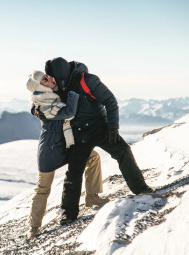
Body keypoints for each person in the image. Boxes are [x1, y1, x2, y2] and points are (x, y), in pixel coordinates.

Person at [42, 57, 154, 225]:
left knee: (123, 152)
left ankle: (141, 189)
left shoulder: (87, 80)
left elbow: (110, 101)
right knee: (74, 171)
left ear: (61, 74)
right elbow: (39, 98)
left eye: (54, 77)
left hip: (101, 128)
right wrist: (36, 109)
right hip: (79, 134)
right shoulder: (57, 86)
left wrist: (113, 127)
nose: (52, 80)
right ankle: (68, 213)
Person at [26, 70, 108, 238]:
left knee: (93, 158)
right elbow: (68, 112)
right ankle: (33, 227)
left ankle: (92, 196)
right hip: (50, 149)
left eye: (48, 77)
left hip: (65, 144)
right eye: (45, 80)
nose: (50, 79)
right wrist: (73, 92)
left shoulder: (49, 96)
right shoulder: (43, 103)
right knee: (43, 188)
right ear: (39, 87)